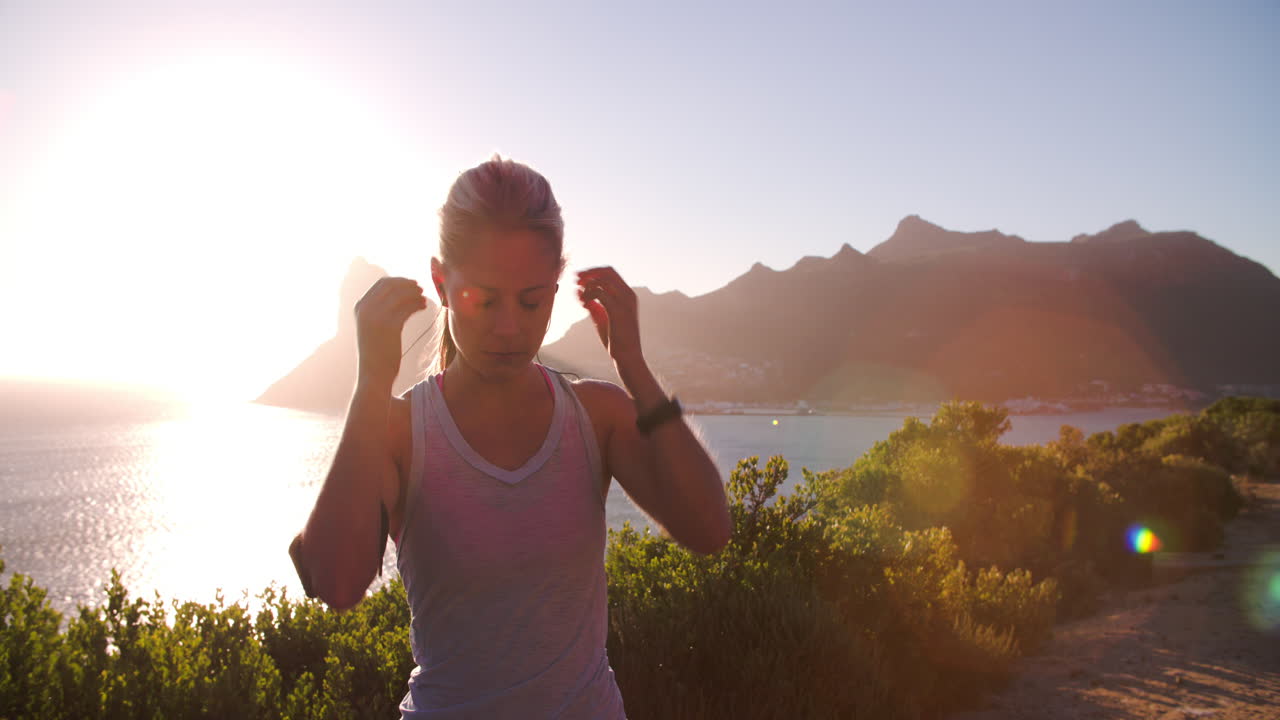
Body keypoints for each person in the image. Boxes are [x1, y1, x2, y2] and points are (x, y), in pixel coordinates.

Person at [289, 155, 732, 718]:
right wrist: (370, 386)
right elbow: (336, 583)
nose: (508, 327)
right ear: (441, 283)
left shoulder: (595, 416)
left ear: (554, 291)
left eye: (531, 301)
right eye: (483, 299)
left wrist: (634, 367)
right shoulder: (401, 431)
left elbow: (709, 530)